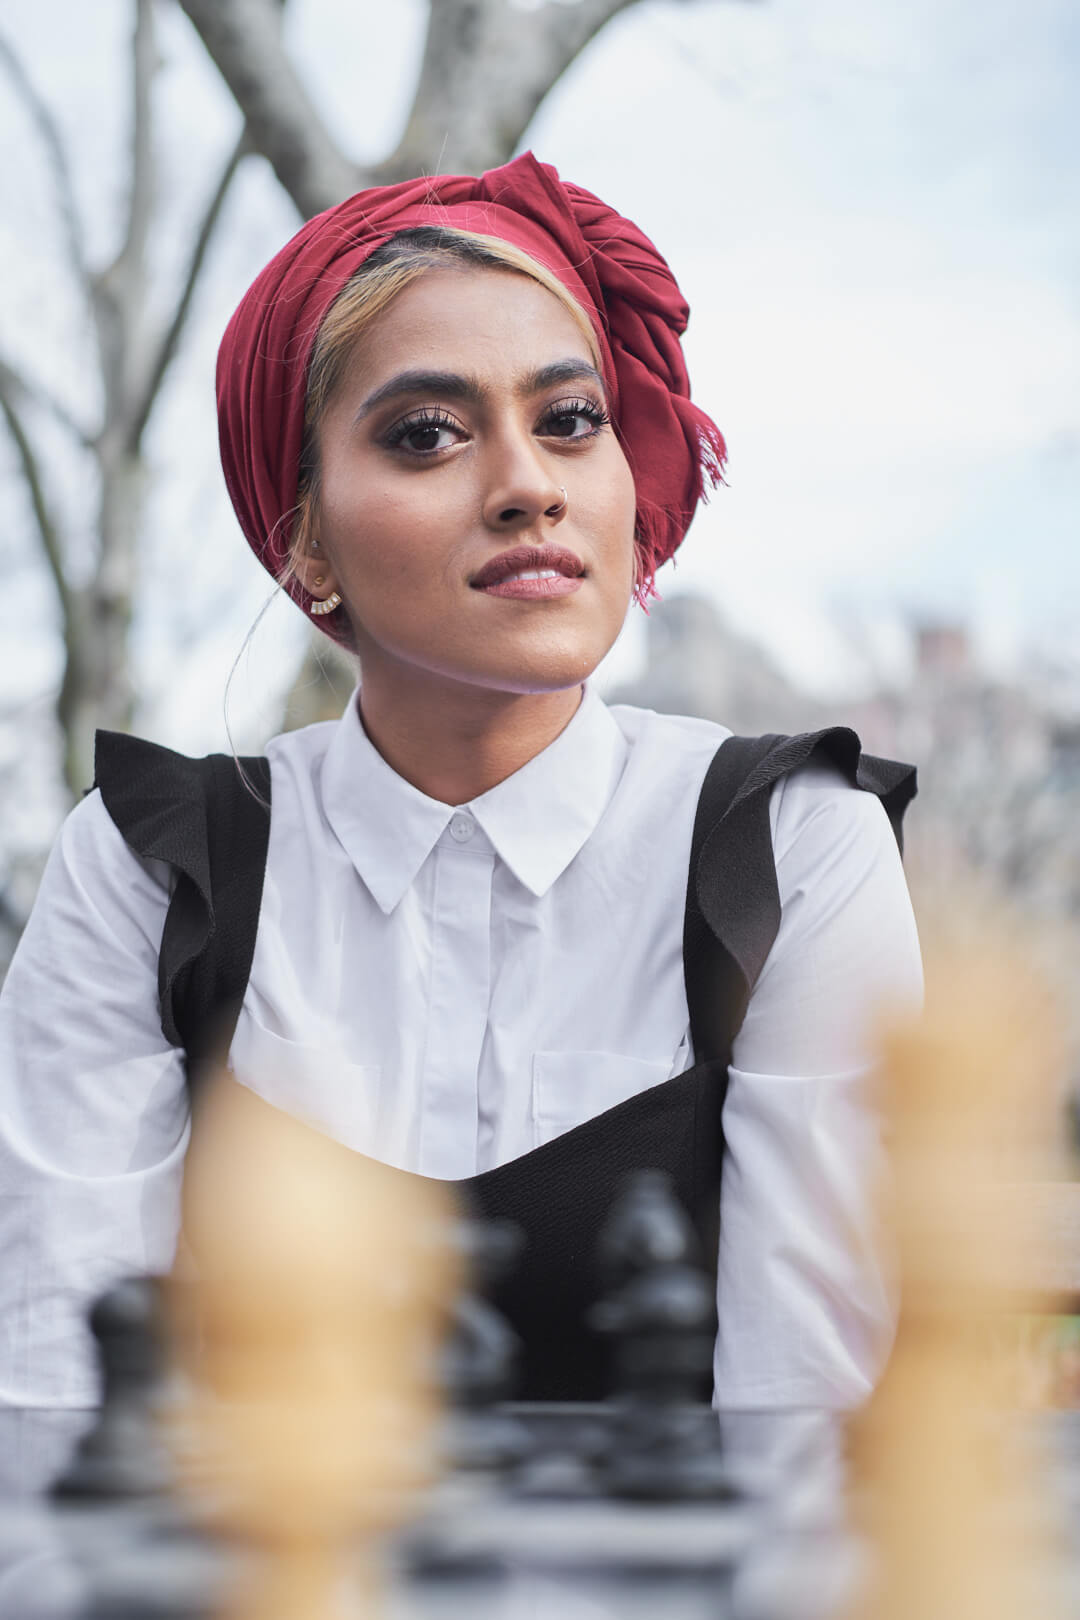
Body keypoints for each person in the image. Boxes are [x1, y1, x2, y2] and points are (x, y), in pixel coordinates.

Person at [0, 154, 921, 1483]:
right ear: (306, 538)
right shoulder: (152, 869)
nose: (529, 485)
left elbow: (809, 1441)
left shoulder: (785, 849)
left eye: (570, 420)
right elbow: (53, 1409)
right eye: (427, 433)